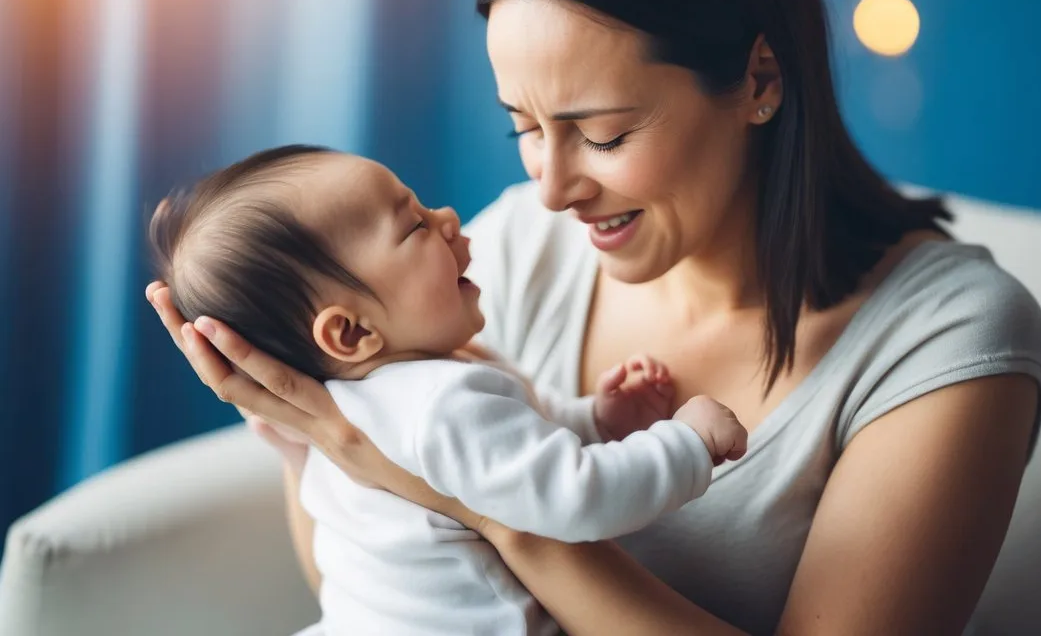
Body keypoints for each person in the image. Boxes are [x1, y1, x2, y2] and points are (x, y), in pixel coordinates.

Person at [148, 0, 1041, 636]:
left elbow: (484, 496)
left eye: (605, 134)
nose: (549, 191)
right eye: (523, 128)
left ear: (759, 81)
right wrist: (308, 435)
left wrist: (498, 513)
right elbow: (383, 593)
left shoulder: (944, 345)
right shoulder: (510, 255)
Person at [148, 143, 747, 635]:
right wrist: (687, 444)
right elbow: (575, 495)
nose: (448, 219)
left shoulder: (353, 404)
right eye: (413, 225)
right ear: (351, 331)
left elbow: (524, 438)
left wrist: (598, 418)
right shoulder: (438, 405)